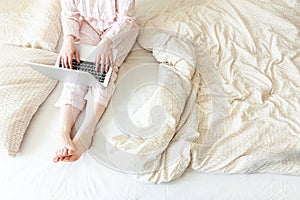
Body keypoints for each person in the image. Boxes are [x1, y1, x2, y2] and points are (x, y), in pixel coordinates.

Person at [53, 0, 139, 162]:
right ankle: (63, 133)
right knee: (76, 69)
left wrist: (107, 42)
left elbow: (126, 19)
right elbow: (70, 13)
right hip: (88, 25)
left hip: (120, 29)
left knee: (105, 70)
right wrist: (69, 39)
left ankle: (87, 132)